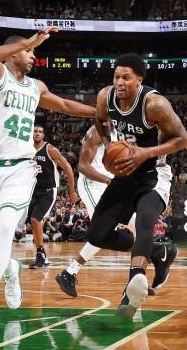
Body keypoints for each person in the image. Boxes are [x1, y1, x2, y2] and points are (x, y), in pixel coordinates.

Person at [0, 27, 95, 330]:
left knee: (8, 227)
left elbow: (63, 105)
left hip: (21, 168)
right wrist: (25, 41)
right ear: (13, 54)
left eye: (33, 51)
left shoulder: (35, 86)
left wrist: (98, 113)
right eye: (29, 52)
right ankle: (10, 271)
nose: (34, 56)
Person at [85, 53, 187, 319]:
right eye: (116, 76)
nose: (119, 82)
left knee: (144, 222)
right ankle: (158, 251)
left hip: (154, 173)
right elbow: (100, 120)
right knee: (96, 235)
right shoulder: (105, 97)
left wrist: (145, 152)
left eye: (126, 78)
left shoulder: (154, 105)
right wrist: (109, 144)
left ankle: (134, 285)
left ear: (139, 80)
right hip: (125, 173)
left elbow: (182, 140)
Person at [55, 125, 136, 297]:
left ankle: (69, 273)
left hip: (110, 183)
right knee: (103, 230)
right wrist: (108, 180)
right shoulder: (97, 131)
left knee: (136, 223)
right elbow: (83, 167)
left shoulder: (116, 130)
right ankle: (70, 272)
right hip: (93, 184)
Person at [27, 124, 78, 269]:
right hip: (33, 190)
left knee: (35, 219)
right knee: (32, 221)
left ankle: (40, 255)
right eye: (35, 131)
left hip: (48, 190)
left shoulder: (50, 149)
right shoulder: (27, 149)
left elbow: (67, 167)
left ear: (43, 135)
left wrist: (72, 190)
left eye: (40, 132)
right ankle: (41, 255)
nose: (37, 133)